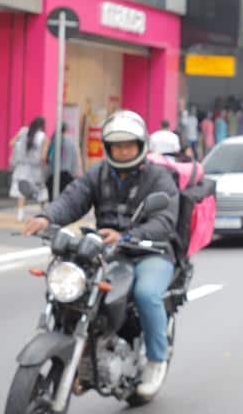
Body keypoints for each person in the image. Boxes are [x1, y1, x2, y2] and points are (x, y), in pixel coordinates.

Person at [23, 110, 180, 397]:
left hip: (150, 252)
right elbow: (74, 197)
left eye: (128, 145)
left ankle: (156, 360)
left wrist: (130, 236)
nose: (122, 151)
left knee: (146, 294)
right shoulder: (99, 173)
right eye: (116, 146)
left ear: (140, 145)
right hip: (109, 251)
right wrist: (47, 217)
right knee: (77, 288)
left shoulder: (159, 177)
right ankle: (80, 347)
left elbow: (165, 220)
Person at [9, 116, 48, 222]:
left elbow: (11, 143)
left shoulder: (23, 131)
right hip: (35, 168)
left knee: (21, 190)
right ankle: (44, 213)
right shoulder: (43, 137)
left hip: (21, 167)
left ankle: (20, 214)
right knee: (39, 190)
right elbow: (43, 157)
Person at [44, 123, 82, 201]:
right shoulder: (72, 141)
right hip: (68, 175)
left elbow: (48, 158)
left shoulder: (53, 140)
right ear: (66, 130)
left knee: (53, 200)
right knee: (65, 200)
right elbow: (77, 158)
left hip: (53, 174)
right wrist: (78, 171)